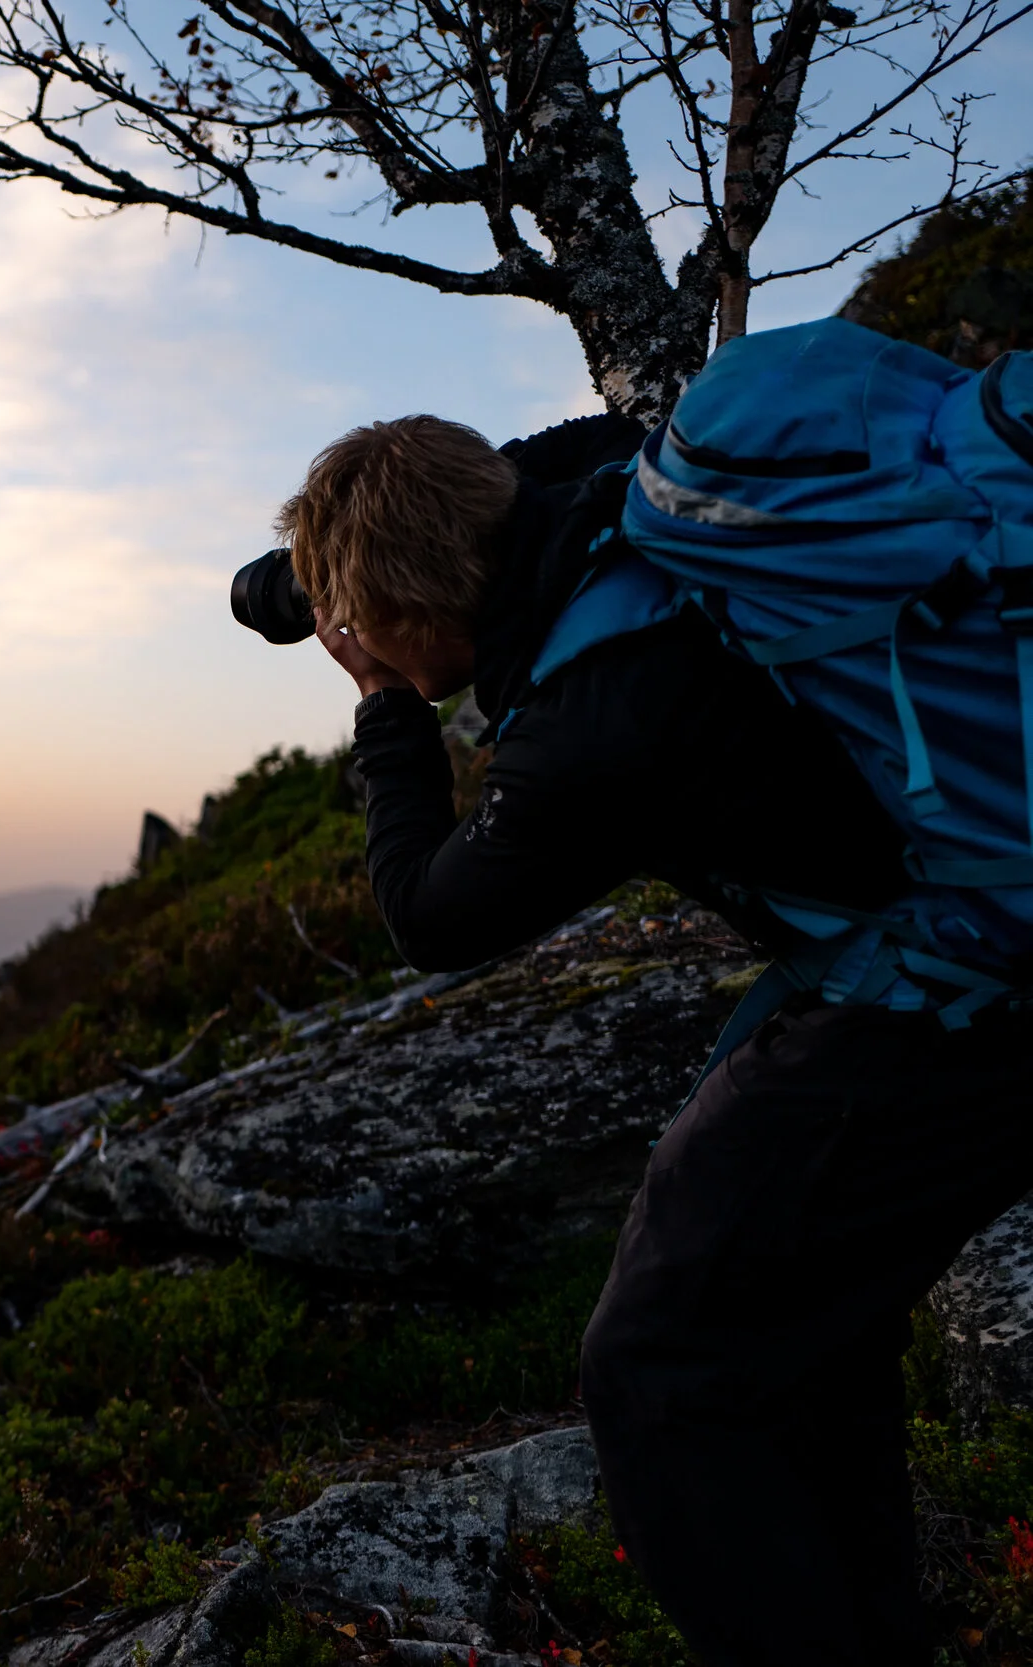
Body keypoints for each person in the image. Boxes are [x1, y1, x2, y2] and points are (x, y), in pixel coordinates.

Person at [288, 412, 1033, 1665]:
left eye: (369, 620)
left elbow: (427, 914)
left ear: (409, 615)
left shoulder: (587, 725)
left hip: (964, 994)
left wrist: (383, 707)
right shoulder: (630, 482)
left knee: (656, 1364)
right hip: (973, 920)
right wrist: (353, 538)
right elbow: (526, 462)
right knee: (801, 1322)